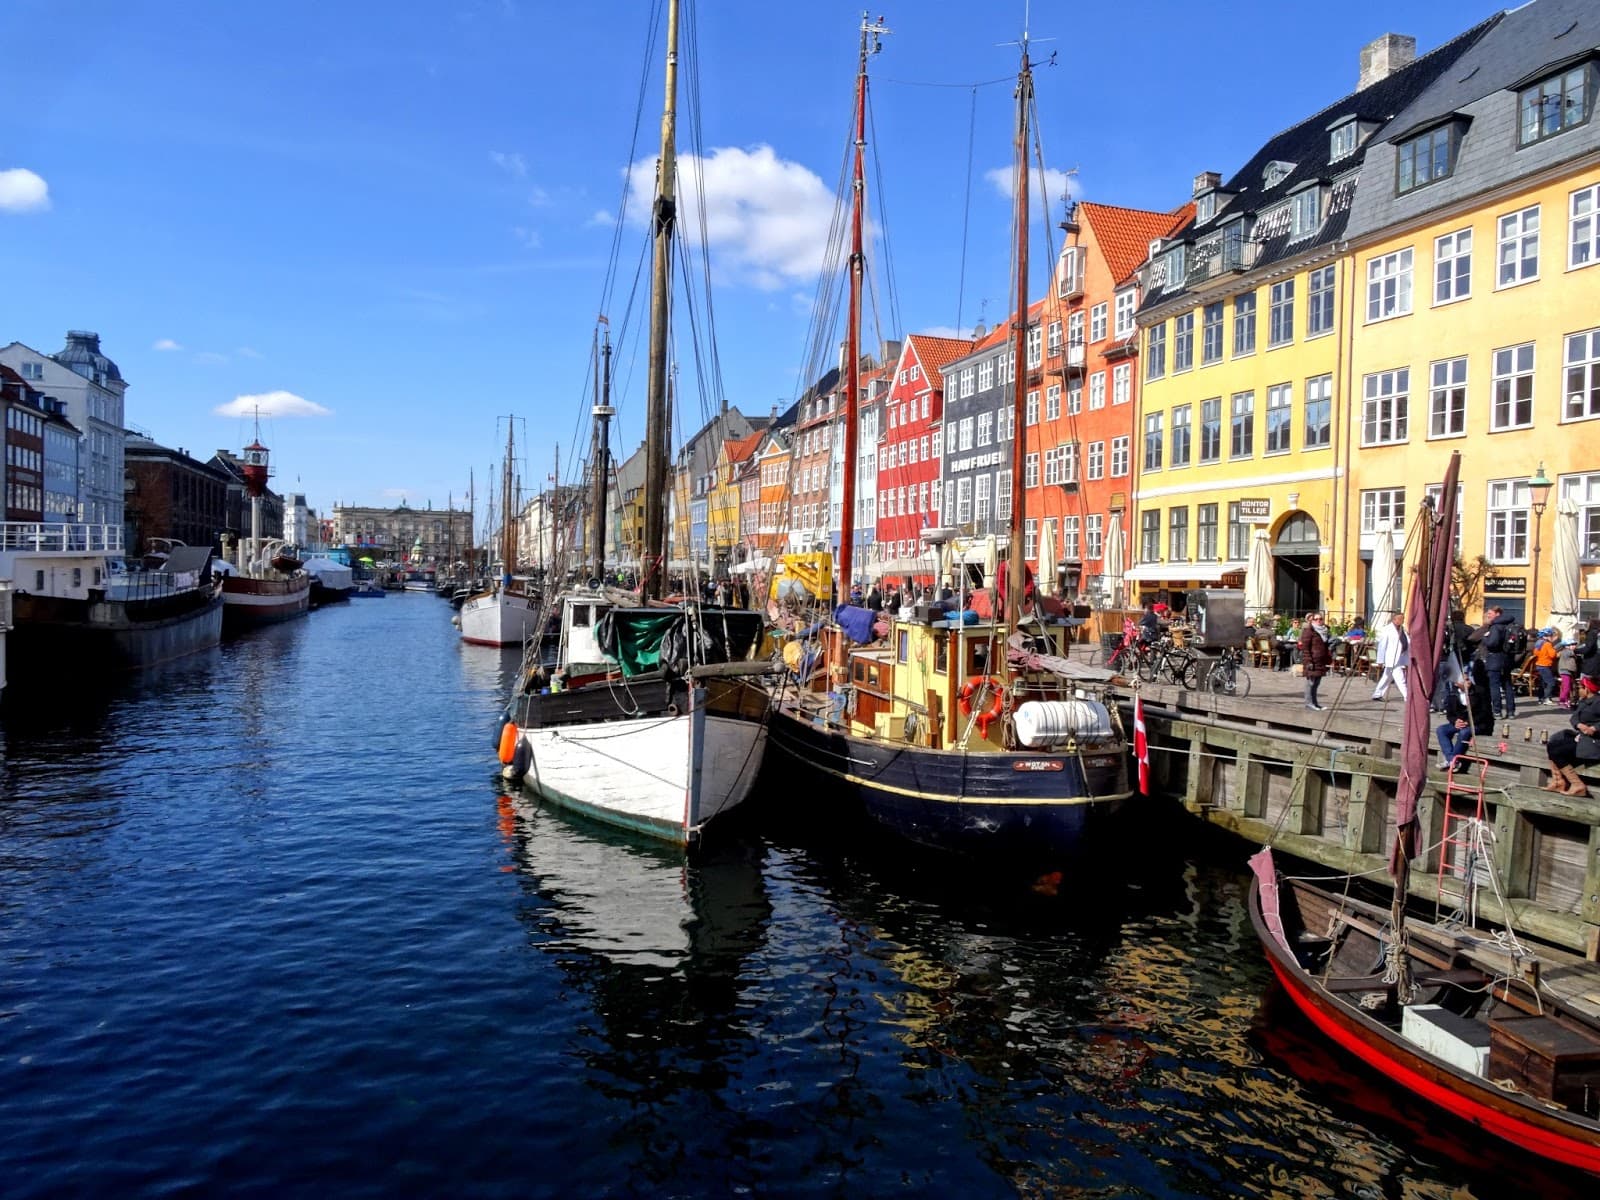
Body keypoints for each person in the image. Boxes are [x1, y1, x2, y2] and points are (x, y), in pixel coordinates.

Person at [1544, 674, 1600, 797]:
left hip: (1594, 742)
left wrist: (1594, 728)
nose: (1578, 690)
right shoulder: (1583, 701)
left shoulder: (1598, 702)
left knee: (1557, 751)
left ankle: (1577, 785)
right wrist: (1579, 725)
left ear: (1587, 689)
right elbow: (1574, 718)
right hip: (1581, 736)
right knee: (1553, 744)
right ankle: (1558, 781)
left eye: (1581, 687)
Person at [1476, 604, 1518, 719]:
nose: (1488, 615)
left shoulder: (1496, 626)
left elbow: (1492, 643)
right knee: (1508, 685)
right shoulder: (1511, 624)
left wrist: (1485, 637)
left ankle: (1497, 711)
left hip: (1495, 659)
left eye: (1490, 613)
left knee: (1494, 686)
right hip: (1507, 659)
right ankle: (1511, 712)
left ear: (1497, 614)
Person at [1436, 676, 1474, 767]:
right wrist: (1455, 721)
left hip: (1474, 723)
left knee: (1464, 732)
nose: (1468, 682)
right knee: (1441, 730)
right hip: (1459, 723)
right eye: (1464, 680)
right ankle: (1452, 760)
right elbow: (1450, 715)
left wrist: (1467, 723)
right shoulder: (1452, 696)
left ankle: (1452, 761)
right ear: (1457, 683)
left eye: (1468, 679)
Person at [1372, 611, 1410, 702]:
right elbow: (1382, 646)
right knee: (1400, 678)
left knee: (1387, 677)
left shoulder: (1402, 629)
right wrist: (1380, 660)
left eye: (1403, 619)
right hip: (1391, 658)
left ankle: (1377, 694)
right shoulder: (1387, 630)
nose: (1402, 620)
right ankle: (1407, 696)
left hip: (1400, 657)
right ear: (1394, 619)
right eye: (1400, 619)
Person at [1299, 611, 1333, 710]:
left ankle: (1315, 703)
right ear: (1312, 620)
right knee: (1311, 682)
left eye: (1320, 619)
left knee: (1317, 683)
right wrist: (1309, 661)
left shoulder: (1324, 631)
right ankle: (1309, 703)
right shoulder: (1309, 631)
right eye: (1316, 619)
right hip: (1312, 661)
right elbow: (1305, 648)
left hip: (1320, 661)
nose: (1318, 621)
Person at [1531, 628, 1561, 704]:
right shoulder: (1548, 644)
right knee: (1551, 682)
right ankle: (1547, 698)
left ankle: (1540, 698)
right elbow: (1552, 655)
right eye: (1551, 636)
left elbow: (1535, 653)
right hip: (1545, 665)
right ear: (1545, 636)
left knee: (1542, 683)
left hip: (1539, 665)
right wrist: (1555, 651)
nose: (1552, 637)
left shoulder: (1538, 643)